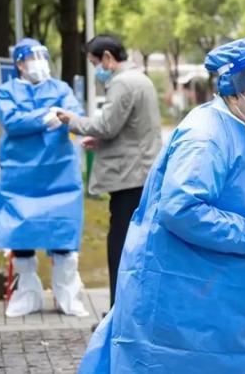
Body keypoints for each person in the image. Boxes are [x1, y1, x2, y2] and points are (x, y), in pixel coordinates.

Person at [77, 37, 245, 373]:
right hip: (182, 296)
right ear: (233, 90)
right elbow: (182, 208)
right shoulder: (207, 136)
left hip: (205, 292)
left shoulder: (237, 127)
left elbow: (229, 200)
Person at [0, 38, 88, 317]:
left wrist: (63, 116)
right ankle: (27, 295)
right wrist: (45, 117)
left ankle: (67, 296)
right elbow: (13, 122)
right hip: (22, 176)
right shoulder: (6, 92)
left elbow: (74, 114)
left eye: (42, 56)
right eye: (32, 57)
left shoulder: (60, 88)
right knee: (21, 234)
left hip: (60, 176)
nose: (39, 63)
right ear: (19, 63)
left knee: (63, 232)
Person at [56, 34, 162, 307]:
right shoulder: (141, 78)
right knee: (135, 246)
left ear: (107, 58)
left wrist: (72, 121)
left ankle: (118, 312)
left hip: (129, 177)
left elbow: (107, 125)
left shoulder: (122, 83)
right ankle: (128, 309)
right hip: (142, 173)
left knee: (120, 247)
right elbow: (130, 128)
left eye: (94, 63)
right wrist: (101, 140)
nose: (96, 70)